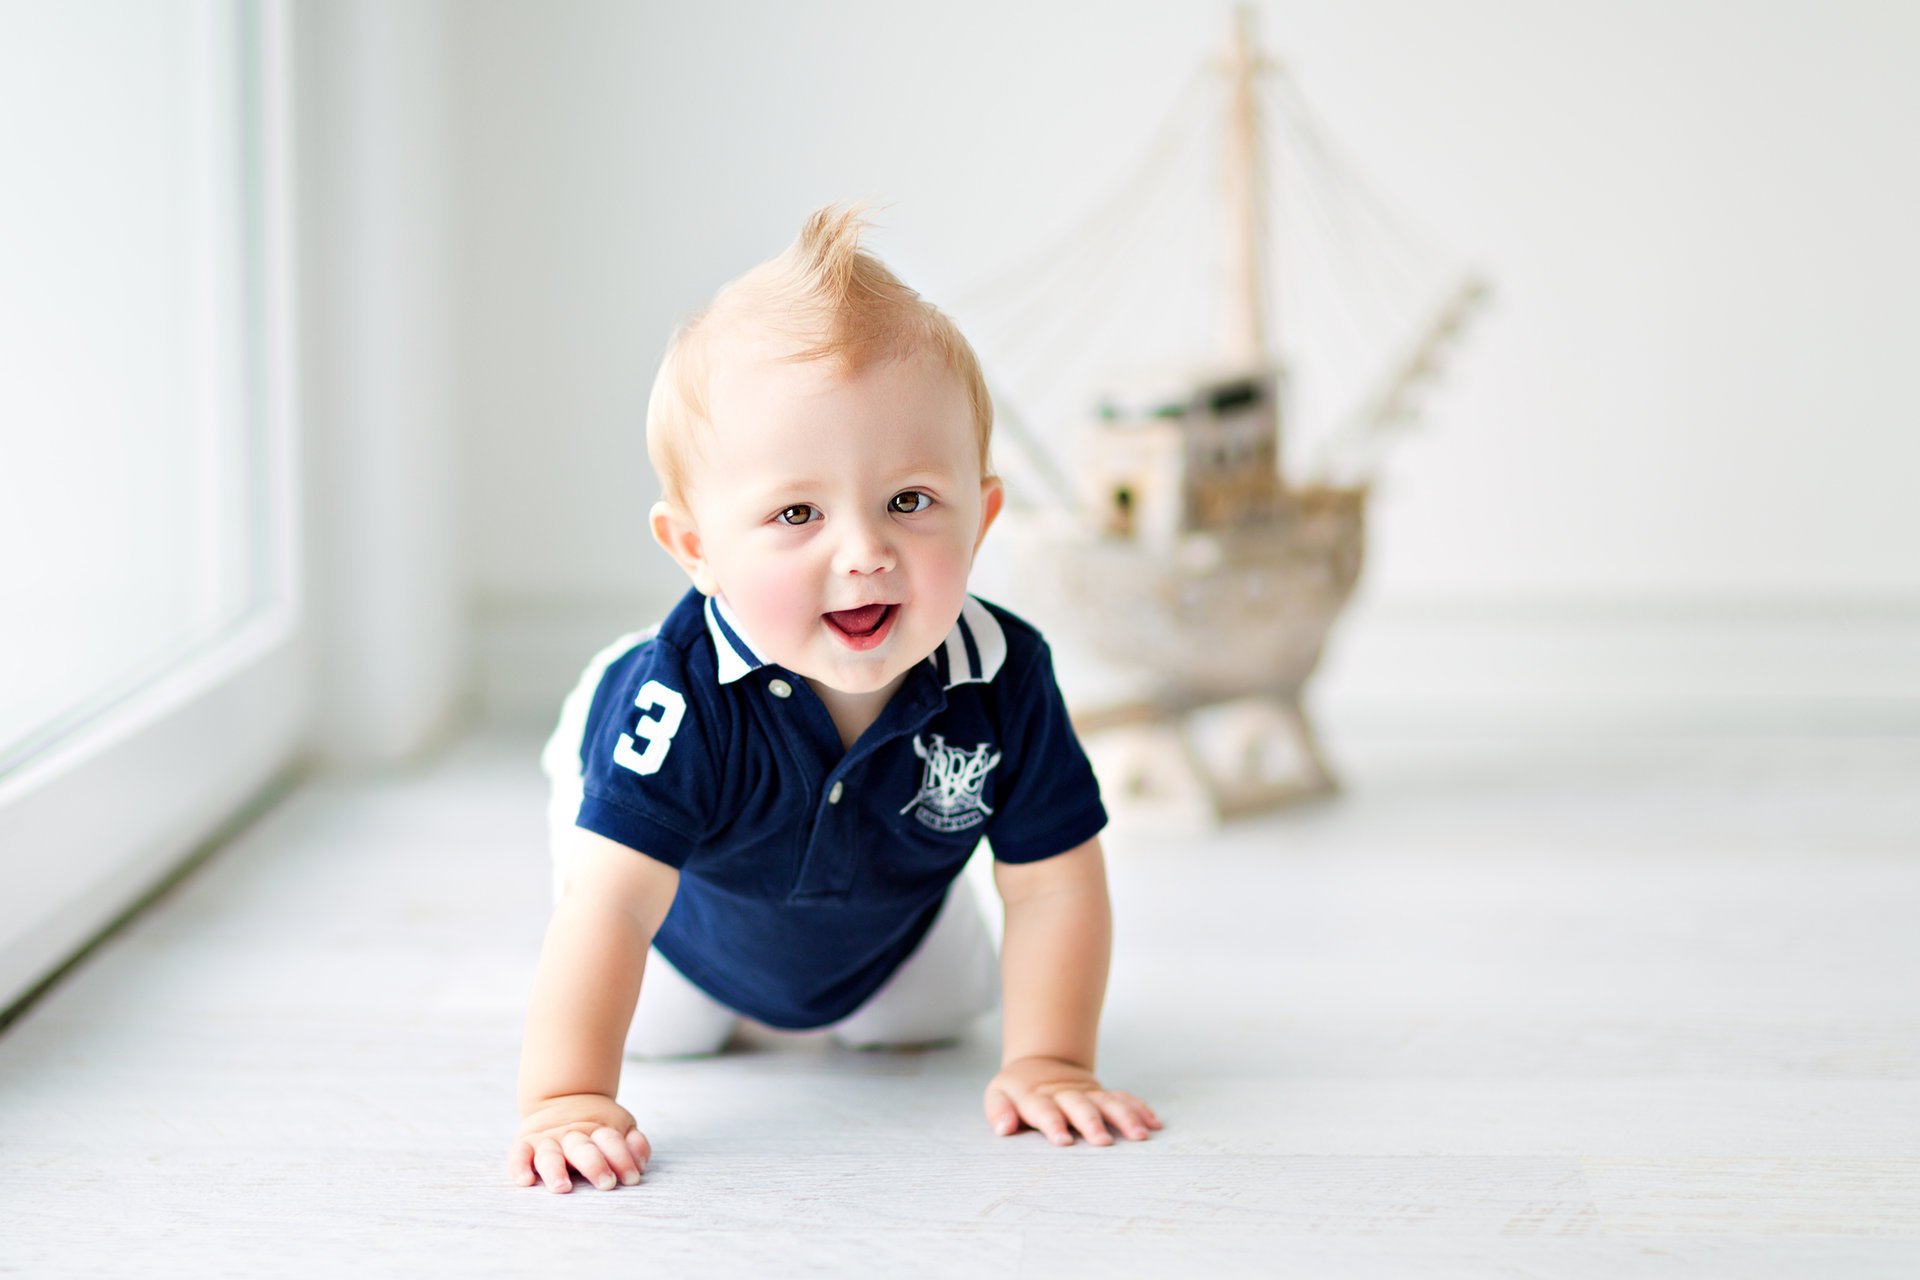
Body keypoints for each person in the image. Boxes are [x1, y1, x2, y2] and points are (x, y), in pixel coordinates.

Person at [506, 205, 1162, 1194]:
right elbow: (612, 903)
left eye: (909, 500)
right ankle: (591, 781)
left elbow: (1053, 880)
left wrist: (1051, 1058)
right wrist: (564, 1095)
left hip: (885, 909)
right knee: (666, 1034)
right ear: (697, 549)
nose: (864, 552)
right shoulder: (682, 701)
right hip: (686, 917)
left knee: (925, 1019)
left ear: (981, 518)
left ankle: (879, 967)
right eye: (797, 512)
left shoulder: (1004, 672)